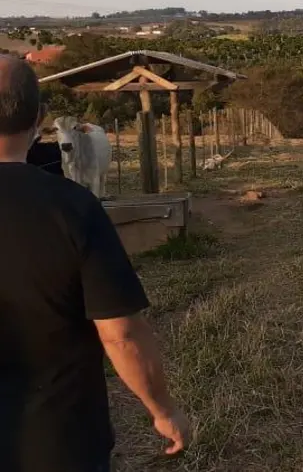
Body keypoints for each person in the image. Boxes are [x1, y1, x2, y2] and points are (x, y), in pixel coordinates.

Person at [0, 56, 190, 472]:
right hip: (56, 443)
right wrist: (162, 410)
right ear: (40, 118)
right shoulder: (74, 208)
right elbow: (120, 334)